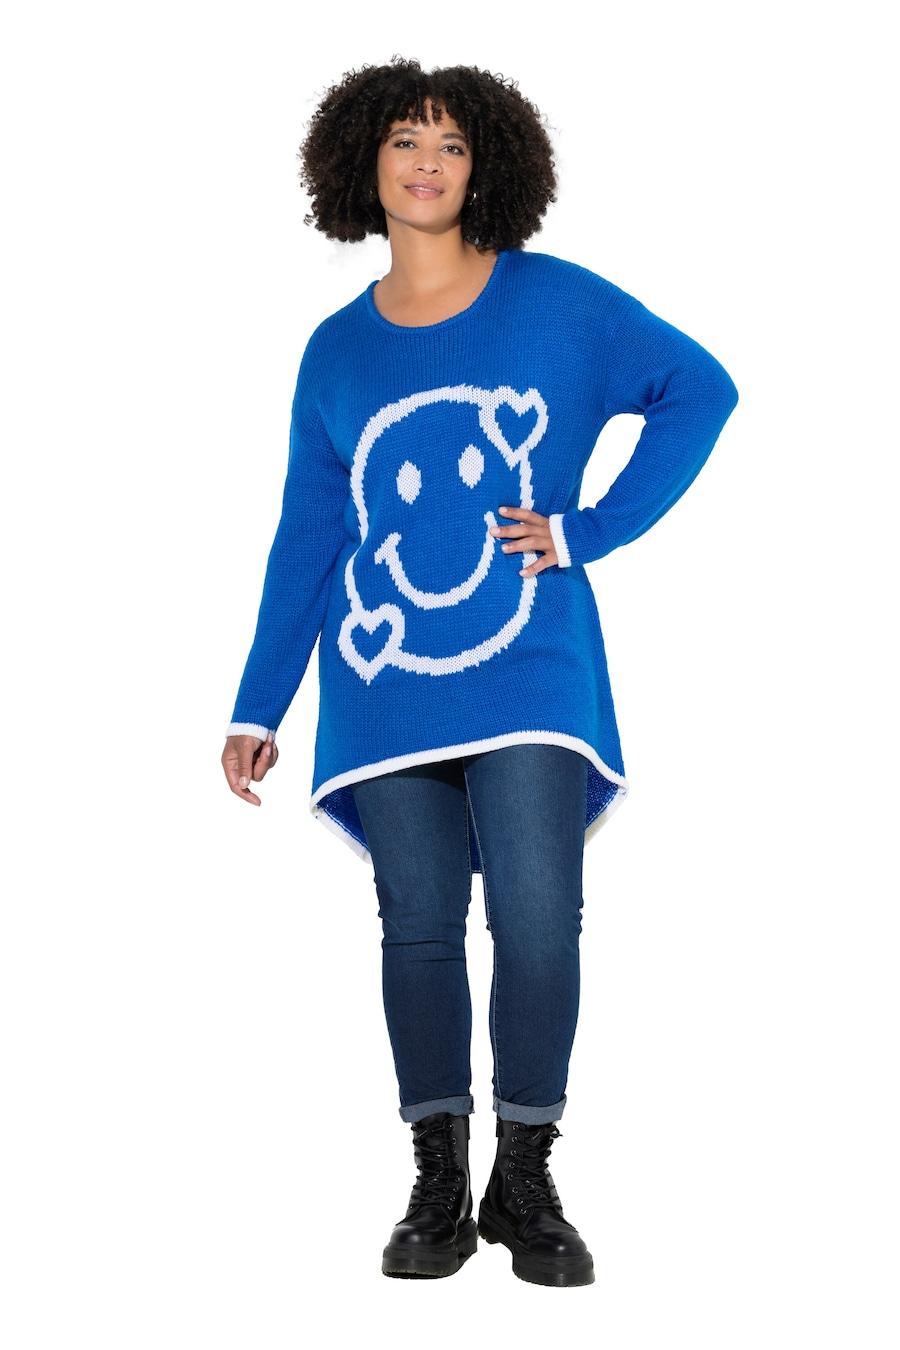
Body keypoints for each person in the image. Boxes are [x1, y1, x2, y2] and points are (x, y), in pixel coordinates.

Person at [221, 58, 739, 1287]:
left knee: (538, 920)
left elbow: (699, 390)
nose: (428, 163)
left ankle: (527, 1171)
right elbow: (310, 535)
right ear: (363, 163)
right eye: (406, 140)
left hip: (532, 676)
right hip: (382, 689)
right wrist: (257, 701)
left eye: (452, 144)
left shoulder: (556, 303)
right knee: (415, 928)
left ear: (486, 165)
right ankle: (438, 1176)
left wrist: (585, 530)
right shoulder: (335, 352)